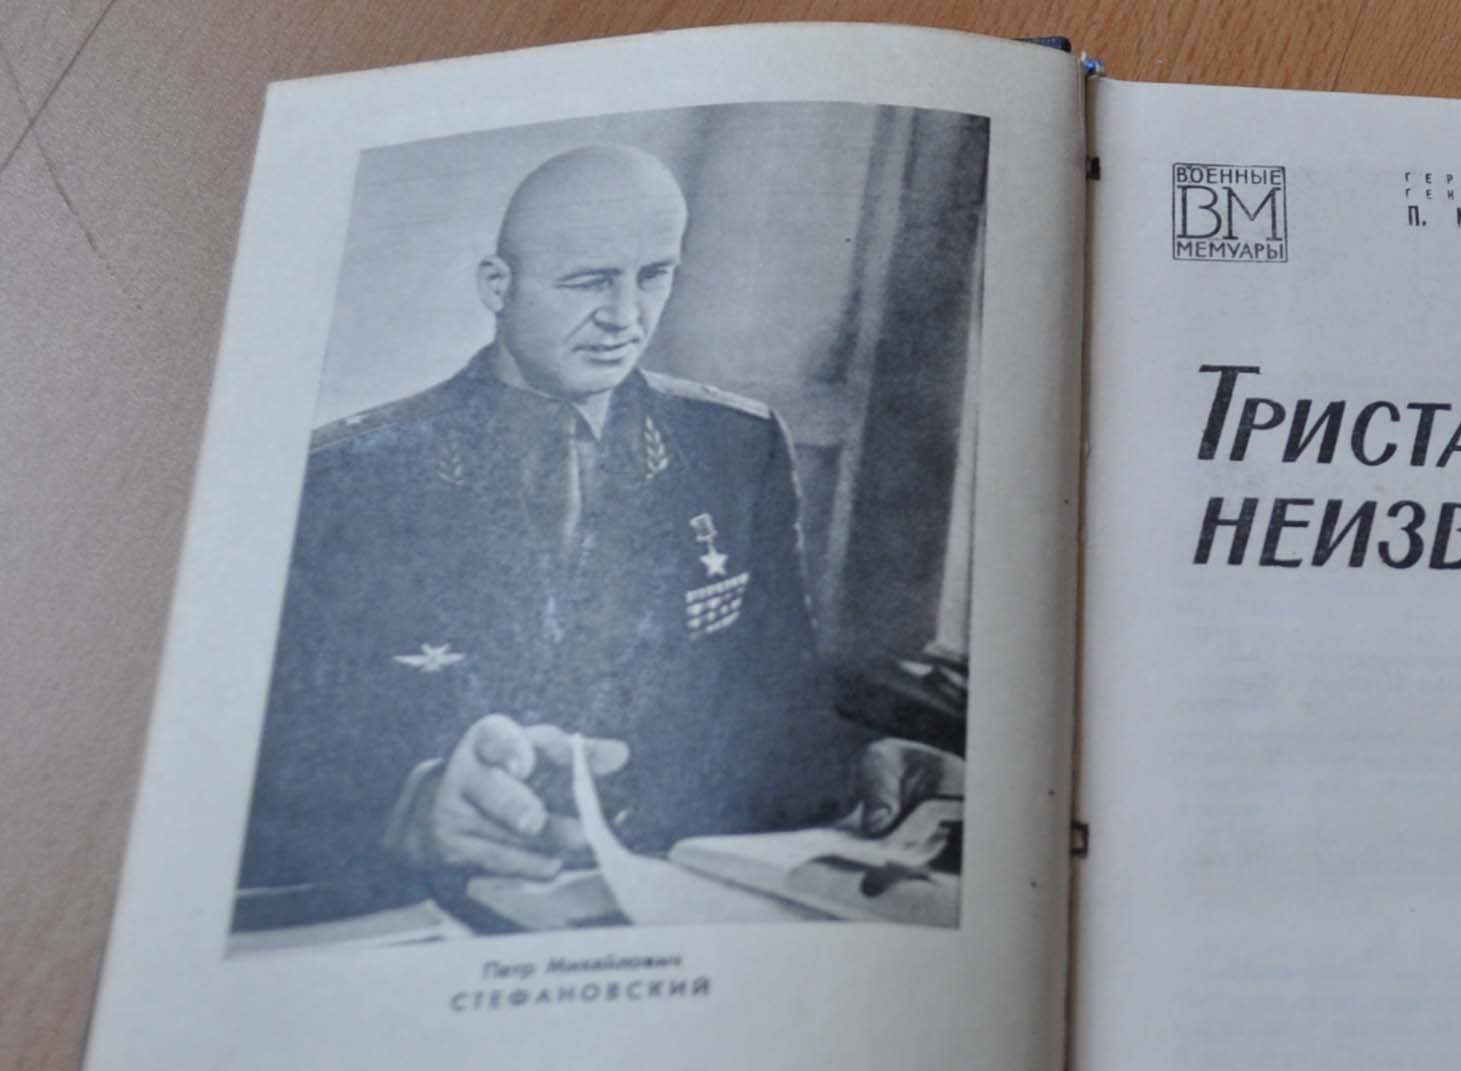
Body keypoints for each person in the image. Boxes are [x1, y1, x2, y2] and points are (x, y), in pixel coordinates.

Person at [237, 144, 960, 914]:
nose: (625, 317)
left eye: (653, 276)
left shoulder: (734, 448)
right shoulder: (351, 476)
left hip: (676, 897)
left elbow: (773, 701)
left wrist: (852, 764)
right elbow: (264, 767)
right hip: (439, 913)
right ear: (498, 286)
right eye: (588, 281)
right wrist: (404, 804)